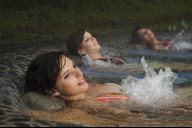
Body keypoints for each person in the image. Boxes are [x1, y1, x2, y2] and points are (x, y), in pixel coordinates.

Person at [24, 51, 130, 115]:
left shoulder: (90, 89)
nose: (79, 73)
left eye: (74, 66)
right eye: (67, 75)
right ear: (52, 90)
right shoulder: (90, 108)